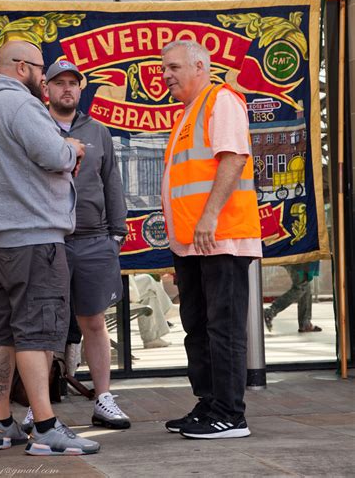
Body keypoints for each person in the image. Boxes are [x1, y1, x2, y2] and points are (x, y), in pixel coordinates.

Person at [0, 40, 99, 456]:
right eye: (41, 69)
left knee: (3, 328)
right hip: (33, 238)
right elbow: (50, 152)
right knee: (37, 331)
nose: (44, 77)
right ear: (22, 67)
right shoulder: (20, 106)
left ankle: (3, 422)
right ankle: (44, 427)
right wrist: (72, 148)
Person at [160, 40, 262, 440]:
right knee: (197, 328)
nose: (165, 75)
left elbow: (233, 158)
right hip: (192, 243)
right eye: (164, 68)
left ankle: (231, 415)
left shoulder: (221, 100)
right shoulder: (188, 113)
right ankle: (209, 405)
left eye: (173, 67)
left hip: (221, 237)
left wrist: (208, 217)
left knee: (224, 328)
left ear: (199, 66)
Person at [23, 59, 130, 431]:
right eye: (59, 83)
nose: (66, 88)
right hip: (48, 239)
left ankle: (103, 399)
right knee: (44, 326)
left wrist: (116, 234)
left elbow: (111, 181)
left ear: (80, 88)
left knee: (94, 323)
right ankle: (38, 406)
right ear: (46, 89)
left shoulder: (98, 132)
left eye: (73, 82)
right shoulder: (34, 127)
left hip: (94, 239)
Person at [264, 261, 322, 333]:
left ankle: (305, 322)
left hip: (297, 255)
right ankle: (271, 310)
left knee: (305, 284)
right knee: (301, 286)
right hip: (297, 256)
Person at [128, 273, 180, 349]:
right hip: (114, 293)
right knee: (147, 280)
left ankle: (151, 339)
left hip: (112, 291)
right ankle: (167, 309)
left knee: (149, 294)